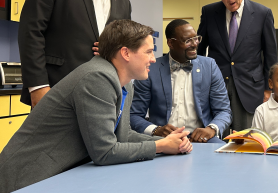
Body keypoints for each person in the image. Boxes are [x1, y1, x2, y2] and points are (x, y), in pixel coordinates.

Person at [0, 20, 192, 193]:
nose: (153, 58)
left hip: (56, 176)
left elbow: (122, 135)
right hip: (26, 178)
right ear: (125, 53)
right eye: (149, 51)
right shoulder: (96, 77)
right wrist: (160, 146)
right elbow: (105, 152)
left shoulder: (124, 83)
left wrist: (169, 141)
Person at [18, 0, 133, 108]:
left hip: (103, 97)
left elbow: (124, 47)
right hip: (56, 92)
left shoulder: (123, 2)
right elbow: (31, 32)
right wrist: (38, 87)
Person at [197, 0, 277, 138]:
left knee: (247, 140)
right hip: (216, 86)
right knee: (217, 137)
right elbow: (199, 50)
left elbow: (271, 55)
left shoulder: (263, 13)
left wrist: (268, 89)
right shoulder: (209, 13)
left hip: (250, 88)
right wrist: (199, 80)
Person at [130, 19, 232, 143]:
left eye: (196, 38)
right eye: (187, 40)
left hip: (202, 138)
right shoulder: (150, 69)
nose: (195, 44)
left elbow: (223, 110)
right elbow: (134, 115)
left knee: (222, 155)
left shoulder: (209, 66)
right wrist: (156, 130)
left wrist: (211, 128)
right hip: (163, 139)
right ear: (171, 43)